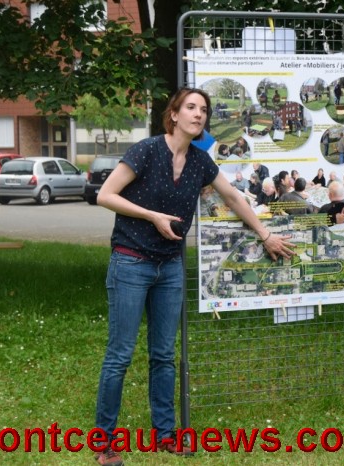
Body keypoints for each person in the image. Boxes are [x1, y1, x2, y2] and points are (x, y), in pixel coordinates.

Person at [94, 87, 294, 465]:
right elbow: (105, 195)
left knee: (163, 355)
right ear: (174, 114)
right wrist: (151, 216)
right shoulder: (146, 150)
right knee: (120, 355)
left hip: (170, 267)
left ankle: (165, 435)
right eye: (190, 107)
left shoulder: (201, 161)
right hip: (131, 263)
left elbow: (233, 197)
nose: (198, 114)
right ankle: (103, 442)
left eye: (203, 109)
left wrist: (264, 234)